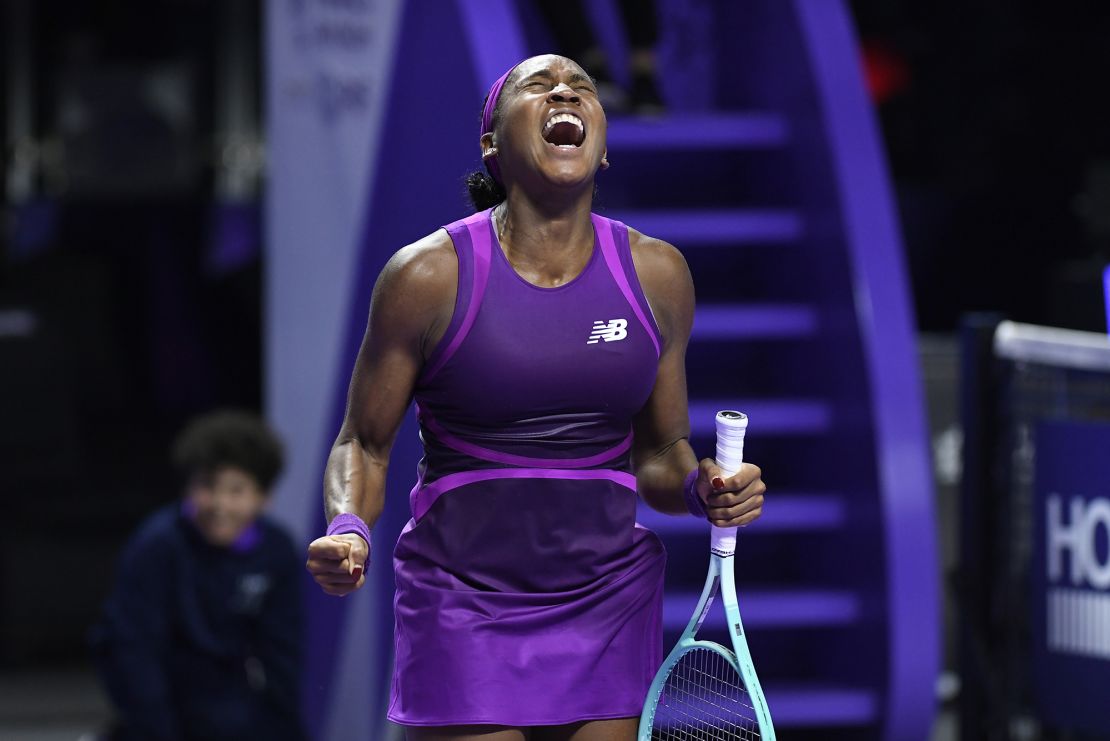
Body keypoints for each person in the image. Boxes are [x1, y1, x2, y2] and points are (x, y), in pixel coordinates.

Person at [305, 54, 766, 741]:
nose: (565, 91)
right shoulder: (426, 277)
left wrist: (706, 489)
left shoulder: (659, 275)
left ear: (601, 148)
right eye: (539, 86)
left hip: (604, 595)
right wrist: (348, 526)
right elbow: (364, 441)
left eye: (583, 87)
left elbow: (662, 453)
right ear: (492, 144)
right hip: (461, 599)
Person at [91, 410, 307, 741]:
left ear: (264, 499)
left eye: (236, 490)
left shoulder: (276, 550)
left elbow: (283, 653)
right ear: (187, 487)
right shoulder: (156, 546)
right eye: (207, 486)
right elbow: (132, 650)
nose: (220, 504)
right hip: (160, 700)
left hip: (229, 701)